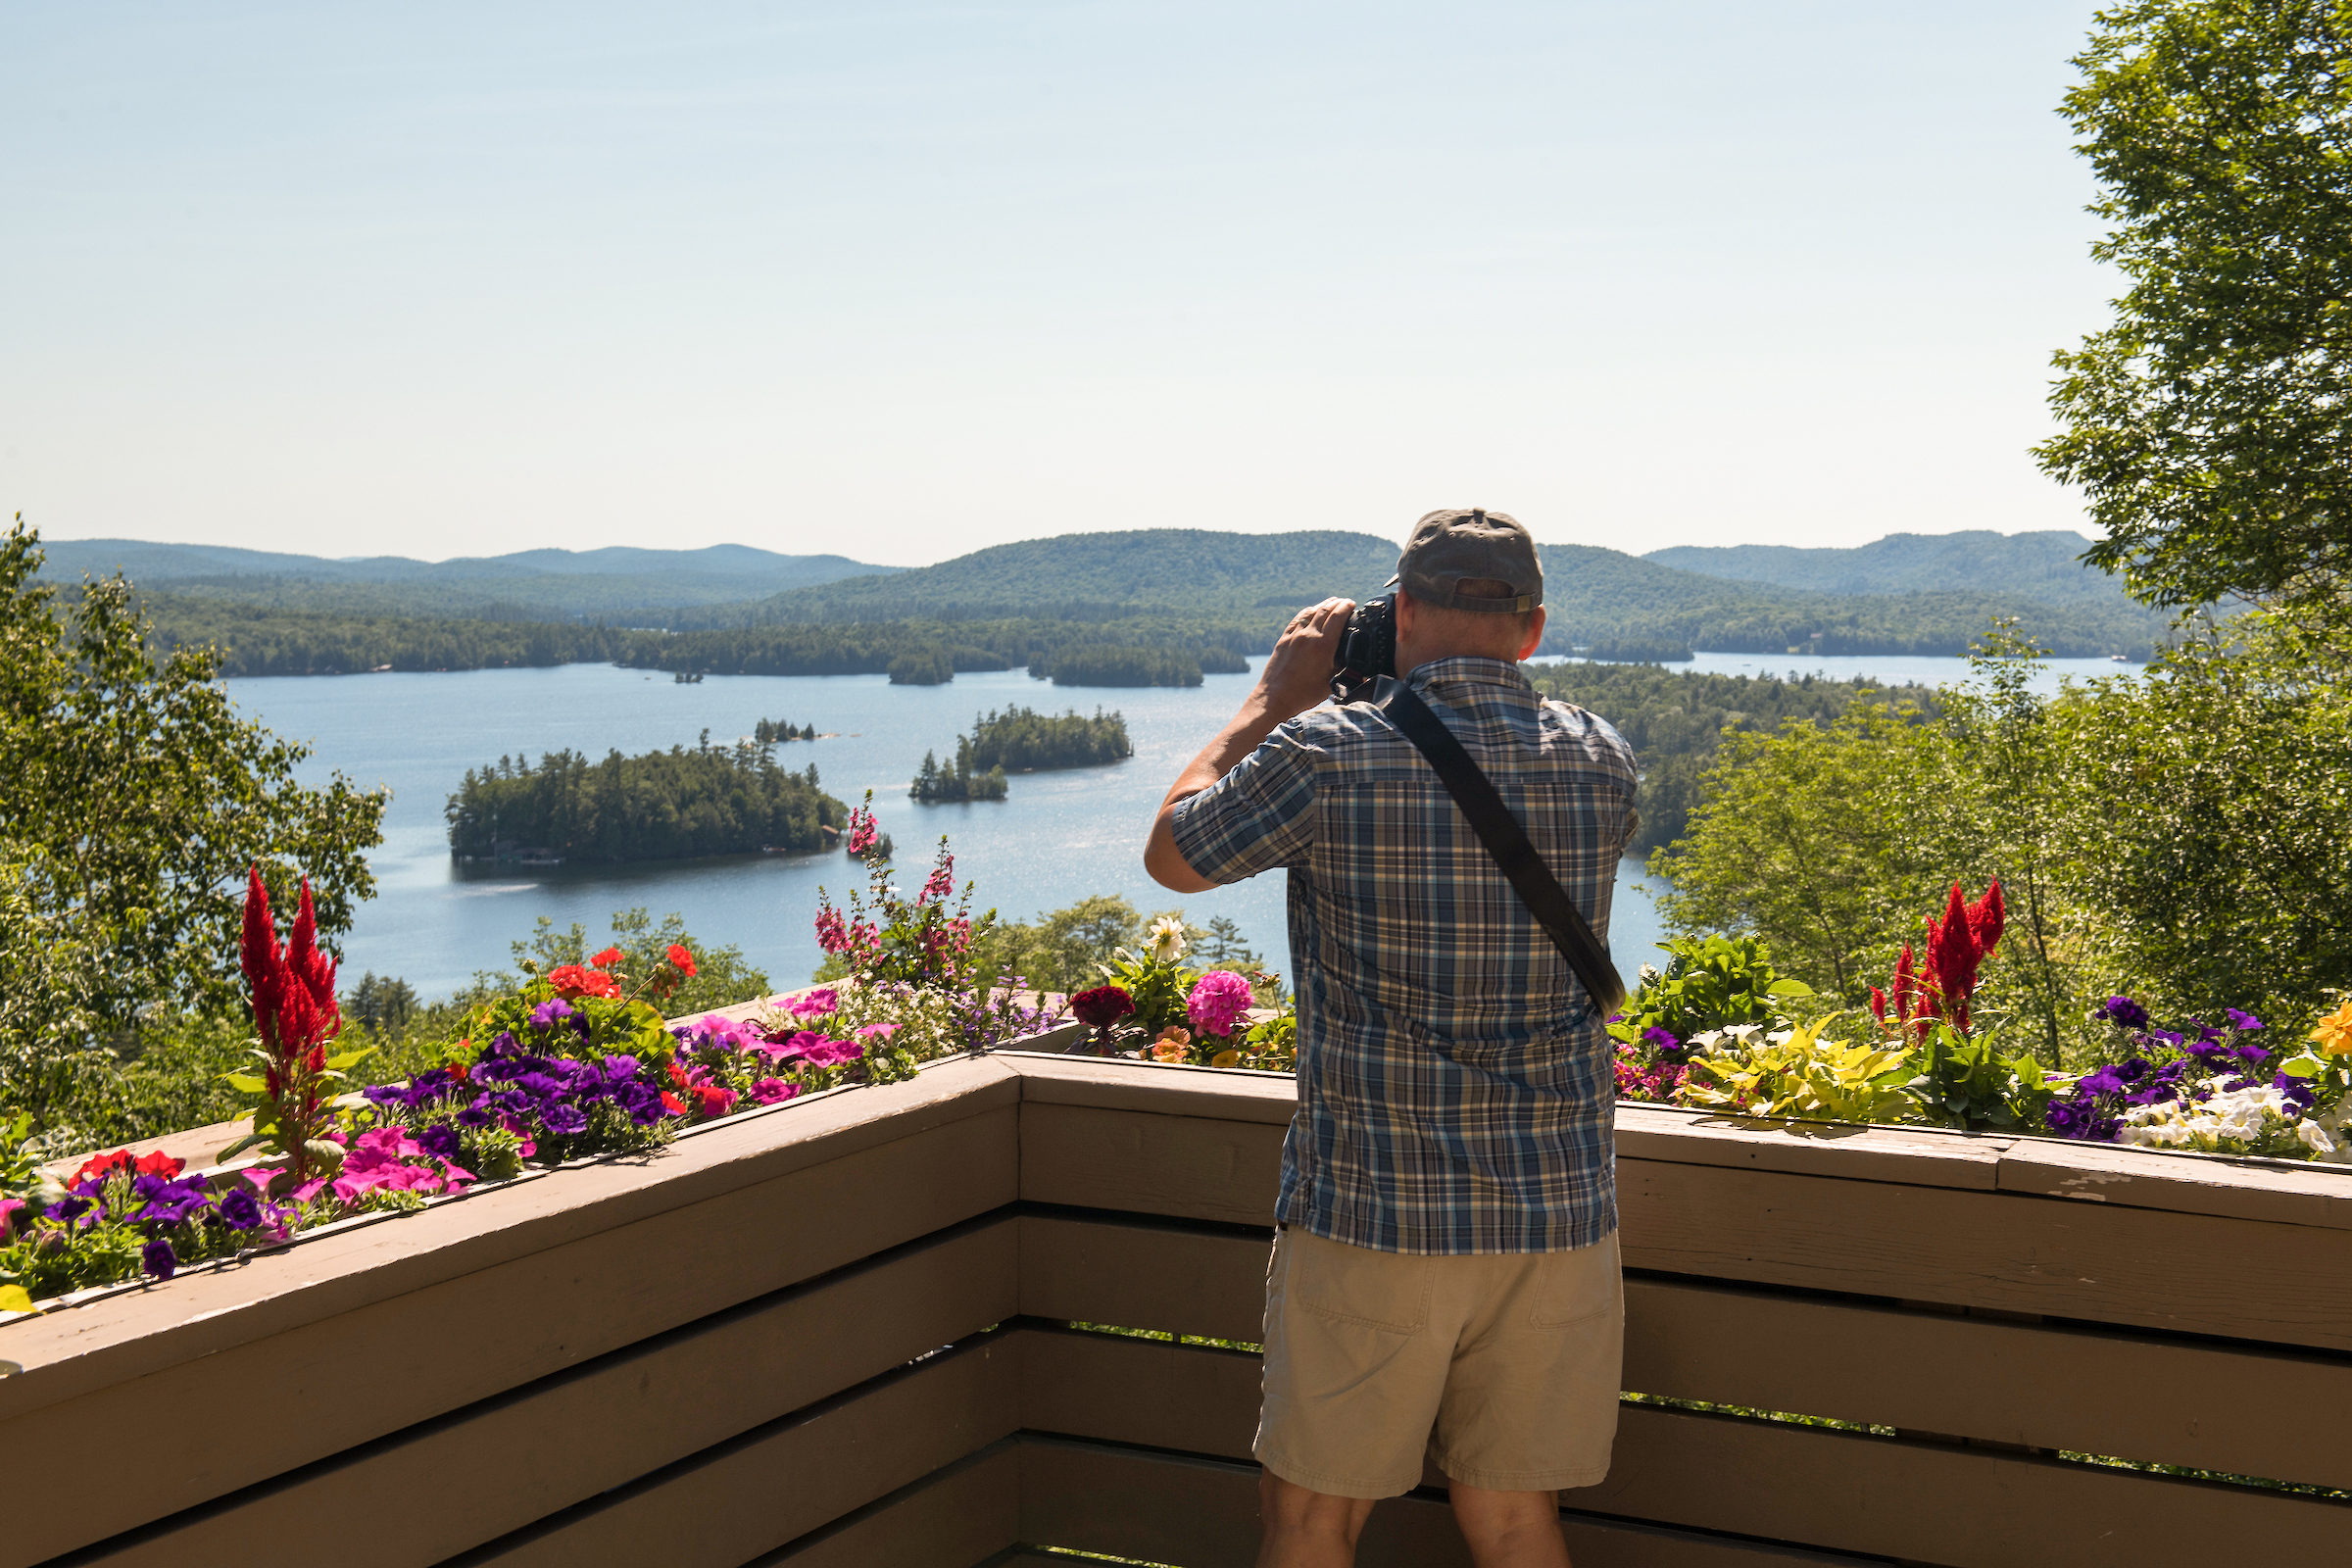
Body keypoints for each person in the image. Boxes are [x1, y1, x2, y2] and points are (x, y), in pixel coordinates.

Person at [1144, 509, 1639, 1568]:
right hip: (1556, 1215)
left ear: (1401, 610)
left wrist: (1272, 701)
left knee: (1315, 1519)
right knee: (1515, 1518)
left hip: (1376, 1209)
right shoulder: (1603, 758)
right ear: (1534, 628)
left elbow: (1175, 854)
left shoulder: (1326, 752)